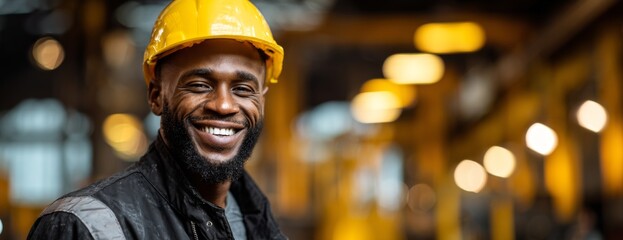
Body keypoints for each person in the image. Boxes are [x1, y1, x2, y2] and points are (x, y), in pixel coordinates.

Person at [27, 0, 286, 239]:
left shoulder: (255, 222)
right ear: (156, 96)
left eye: (242, 89)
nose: (224, 105)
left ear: (261, 100)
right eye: (199, 85)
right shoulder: (80, 227)